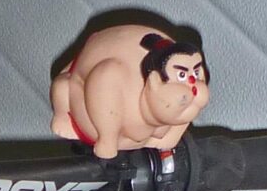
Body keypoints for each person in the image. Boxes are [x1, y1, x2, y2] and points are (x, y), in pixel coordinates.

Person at [50, 21, 209, 156]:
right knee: (63, 87)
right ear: (153, 81)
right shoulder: (114, 81)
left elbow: (186, 114)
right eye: (181, 75)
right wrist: (108, 139)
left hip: (147, 127)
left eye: (196, 73)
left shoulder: (182, 104)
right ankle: (85, 127)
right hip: (86, 97)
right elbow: (102, 80)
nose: (194, 87)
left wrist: (171, 136)